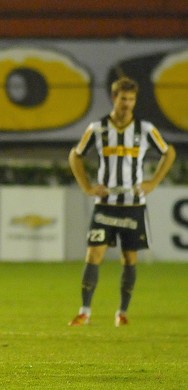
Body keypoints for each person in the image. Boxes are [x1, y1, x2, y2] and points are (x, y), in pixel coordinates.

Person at [67, 76, 175, 327]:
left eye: (131, 99)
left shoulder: (145, 130)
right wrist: (86, 186)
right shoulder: (98, 129)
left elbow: (169, 152)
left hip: (133, 205)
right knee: (94, 254)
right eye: (123, 98)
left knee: (129, 259)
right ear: (114, 98)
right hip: (105, 204)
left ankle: (122, 313)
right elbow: (75, 154)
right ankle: (85, 311)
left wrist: (153, 182)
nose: (127, 104)